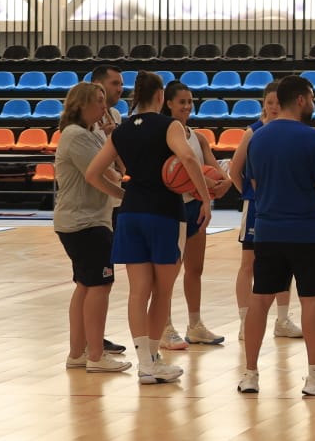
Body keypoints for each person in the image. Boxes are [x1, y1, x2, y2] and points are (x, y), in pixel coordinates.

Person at [84, 71, 209, 385]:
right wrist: (203, 197)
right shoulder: (171, 126)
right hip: (165, 212)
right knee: (162, 290)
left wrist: (122, 194)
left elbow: (93, 173)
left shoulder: (122, 130)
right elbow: (189, 160)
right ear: (160, 95)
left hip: (131, 214)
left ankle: (144, 363)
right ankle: (153, 360)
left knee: (138, 291)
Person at [237, 75, 315, 396]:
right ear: (301, 100)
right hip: (307, 232)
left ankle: (250, 374)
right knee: (311, 301)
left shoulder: (257, 138)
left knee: (260, 301)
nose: (313, 103)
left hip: (268, 231)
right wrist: (312, 214)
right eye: (311, 97)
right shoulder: (311, 138)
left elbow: (254, 185)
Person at [54, 81, 129, 373]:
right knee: (100, 284)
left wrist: (114, 138)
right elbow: (98, 176)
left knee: (86, 285)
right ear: (81, 105)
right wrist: (126, 197)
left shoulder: (95, 133)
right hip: (84, 222)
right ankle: (96, 356)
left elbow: (121, 170)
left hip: (87, 219)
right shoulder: (75, 135)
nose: (104, 106)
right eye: (98, 101)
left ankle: (78, 354)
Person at [160, 81, 232, 349]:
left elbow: (215, 167)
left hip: (196, 206)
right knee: (169, 271)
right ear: (168, 103)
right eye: (182, 102)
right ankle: (164, 326)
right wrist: (199, 180)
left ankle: (195, 324)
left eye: (190, 101)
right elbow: (171, 174)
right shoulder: (166, 135)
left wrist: (224, 181)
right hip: (173, 207)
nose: (188, 106)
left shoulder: (198, 137)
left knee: (195, 269)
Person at [227, 79, 300, 341]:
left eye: (278, 103)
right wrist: (251, 194)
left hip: (283, 205)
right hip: (257, 205)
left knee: (285, 263)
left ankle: (282, 319)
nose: (274, 107)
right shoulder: (253, 132)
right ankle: (245, 321)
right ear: (264, 104)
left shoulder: (293, 130)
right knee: (249, 263)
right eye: (270, 103)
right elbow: (235, 171)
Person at [88, 63, 128, 355]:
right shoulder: (85, 123)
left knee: (105, 277)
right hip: (92, 209)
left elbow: (124, 165)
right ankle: (89, 343)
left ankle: (95, 338)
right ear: (99, 86)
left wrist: (120, 138)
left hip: (111, 206)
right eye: (115, 83)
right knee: (93, 280)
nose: (120, 88)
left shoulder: (115, 116)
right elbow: (95, 171)